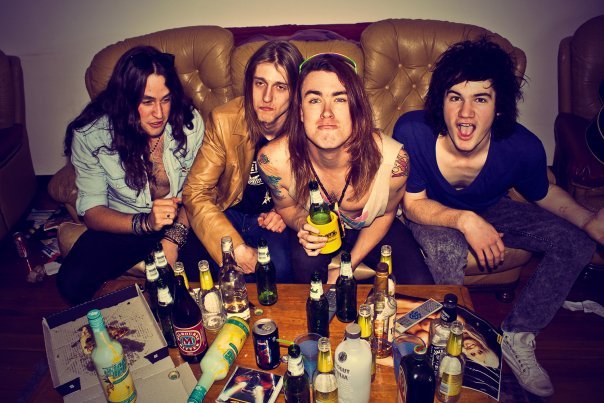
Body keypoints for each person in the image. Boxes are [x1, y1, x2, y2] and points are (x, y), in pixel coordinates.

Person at [393, 38, 604, 397]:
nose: (465, 113)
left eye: (481, 99)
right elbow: (413, 205)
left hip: (492, 206)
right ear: (441, 101)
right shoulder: (412, 131)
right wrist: (465, 220)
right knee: (447, 248)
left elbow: (543, 192)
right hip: (433, 212)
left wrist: (587, 221)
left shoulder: (523, 147)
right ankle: (446, 339)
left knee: (575, 241)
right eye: (455, 97)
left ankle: (519, 334)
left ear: (499, 107)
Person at [257, 53, 433, 285]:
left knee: (420, 284)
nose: (327, 112)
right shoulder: (273, 160)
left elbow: (387, 213)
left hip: (372, 224)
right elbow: (286, 206)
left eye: (340, 99)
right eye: (314, 100)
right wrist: (302, 224)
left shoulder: (393, 163)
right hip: (317, 224)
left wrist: (346, 267)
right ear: (300, 112)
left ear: (356, 109)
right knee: (306, 271)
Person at [57, 46, 204, 304]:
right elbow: (92, 211)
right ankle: (145, 268)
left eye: (166, 99)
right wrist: (145, 223)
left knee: (209, 277)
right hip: (127, 222)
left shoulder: (189, 123)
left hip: (182, 220)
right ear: (125, 100)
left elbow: (198, 190)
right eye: (147, 102)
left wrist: (172, 240)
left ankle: (149, 266)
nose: (159, 113)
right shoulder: (91, 135)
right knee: (71, 282)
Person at [182, 41, 303, 281]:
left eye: (280, 87)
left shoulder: (307, 124)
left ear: (295, 92)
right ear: (249, 84)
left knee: (279, 272)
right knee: (212, 271)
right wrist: (235, 248)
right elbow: (195, 191)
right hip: (228, 211)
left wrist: (289, 209)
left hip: (273, 219)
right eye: (260, 83)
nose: (267, 97)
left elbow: (323, 182)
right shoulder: (224, 120)